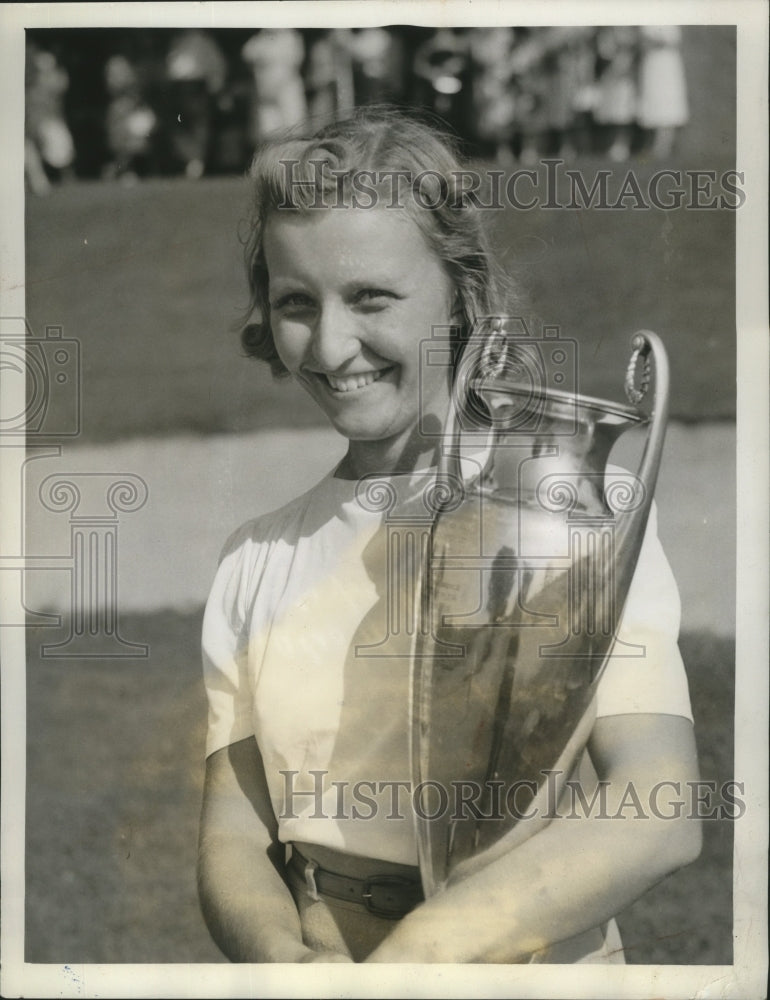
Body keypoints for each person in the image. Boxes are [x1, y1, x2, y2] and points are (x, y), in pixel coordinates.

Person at [197, 108, 701, 964]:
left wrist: (420, 956)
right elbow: (233, 841)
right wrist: (284, 960)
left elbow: (657, 807)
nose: (331, 343)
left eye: (371, 298)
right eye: (295, 303)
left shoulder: (568, 507)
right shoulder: (256, 558)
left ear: (463, 296)